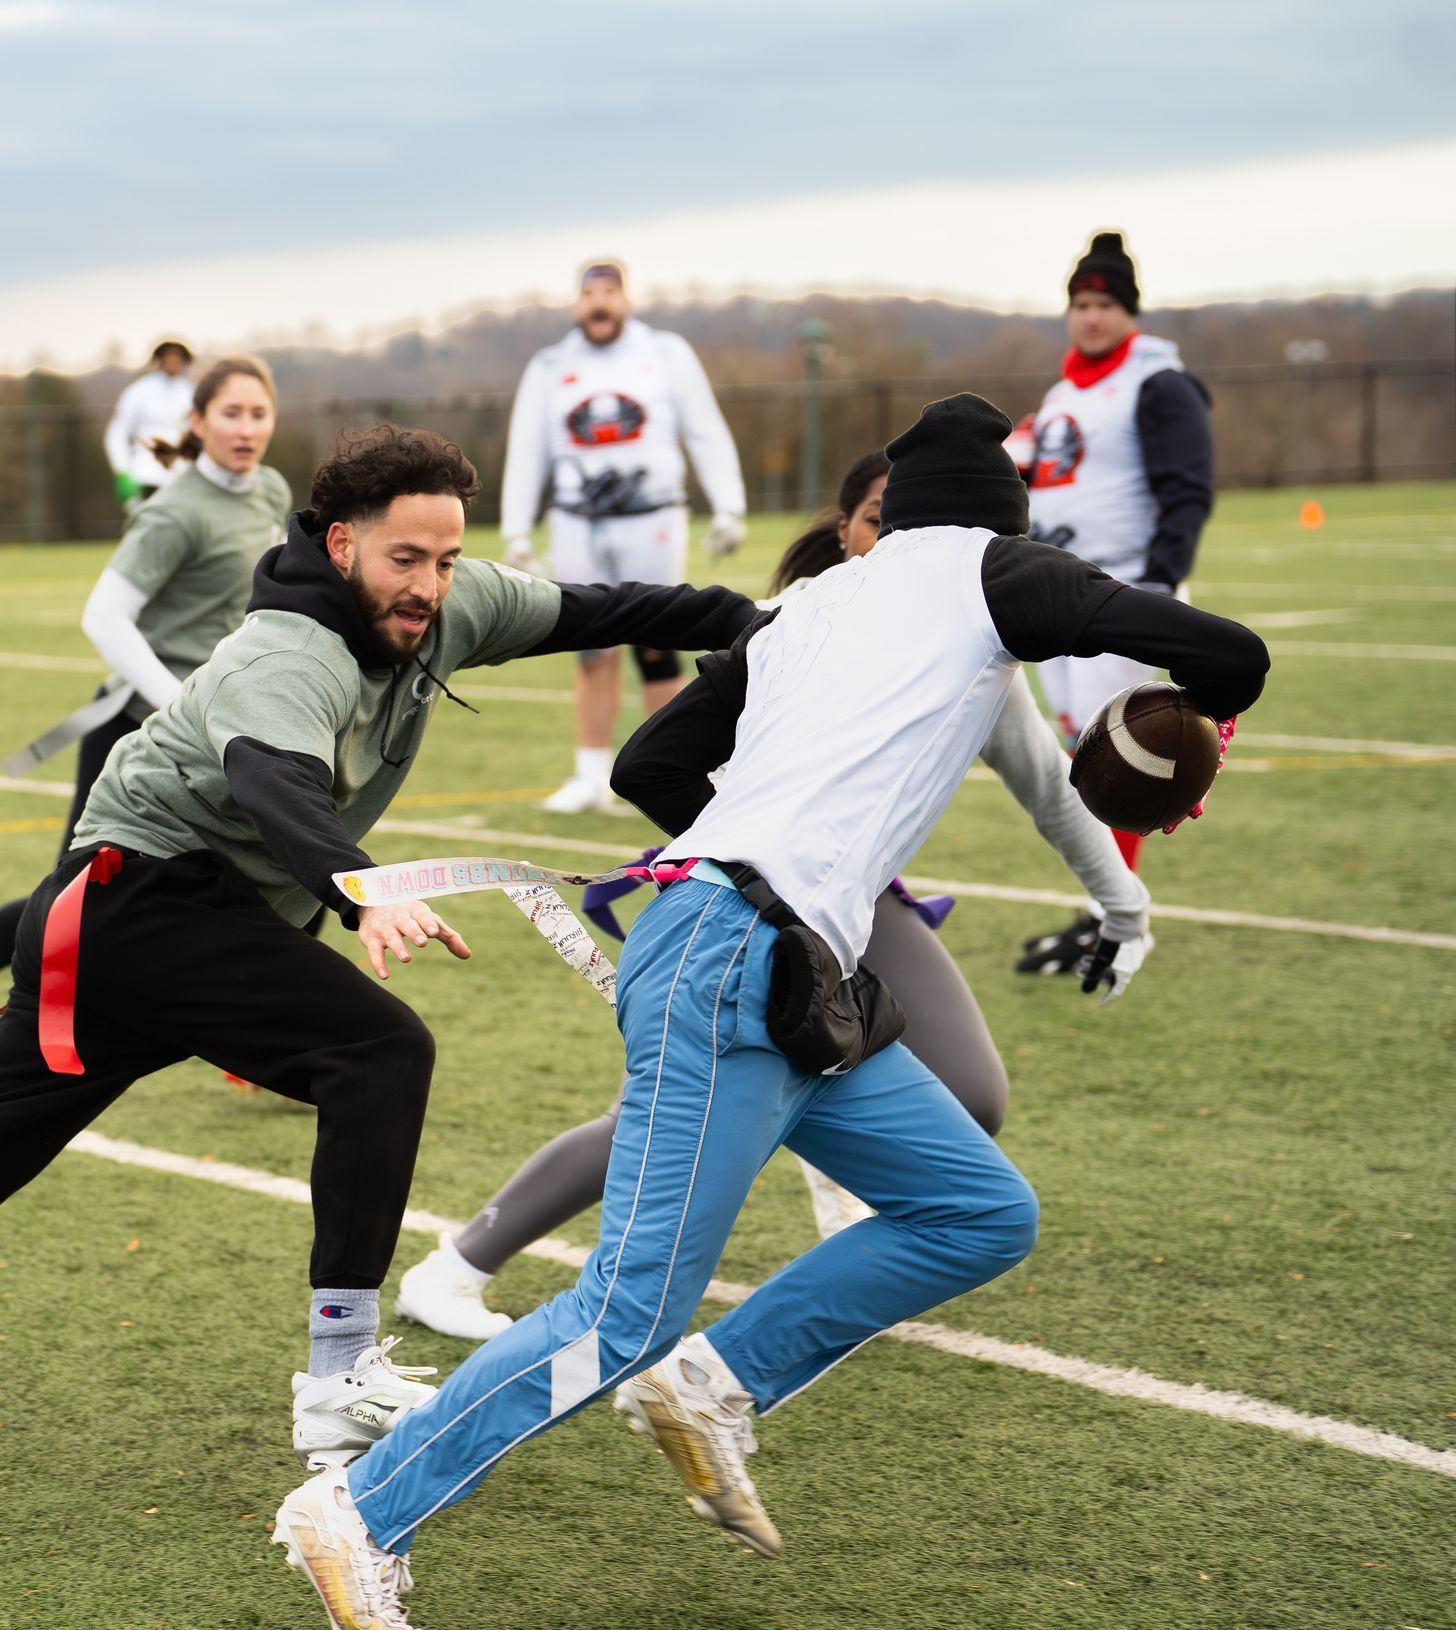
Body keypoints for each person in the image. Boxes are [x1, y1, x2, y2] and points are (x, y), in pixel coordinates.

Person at [0, 422, 756, 1484]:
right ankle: (339, 1372)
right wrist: (359, 893)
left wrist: (769, 620)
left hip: (156, 917)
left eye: (448, 560)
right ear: (342, 543)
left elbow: (615, 608)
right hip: (141, 905)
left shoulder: (450, 601)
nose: (432, 587)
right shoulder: (286, 652)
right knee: (379, 1051)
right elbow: (275, 784)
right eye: (408, 559)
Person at [274, 395, 1268, 1626]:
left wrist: (754, 837)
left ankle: (717, 1387)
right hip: (737, 956)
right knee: (620, 1315)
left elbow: (648, 763)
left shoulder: (817, 602)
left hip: (781, 959)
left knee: (976, 1208)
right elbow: (1232, 650)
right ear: (1005, 509)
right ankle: (359, 1510)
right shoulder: (992, 567)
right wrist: (1207, 726)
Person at [396, 448, 1152, 1339]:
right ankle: (456, 1265)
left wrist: (1124, 905)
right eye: (879, 519)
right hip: (741, 904)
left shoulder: (981, 642)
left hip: (860, 902)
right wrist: (757, 856)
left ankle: (841, 1207)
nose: (901, 541)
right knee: (669, 1120)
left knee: (974, 1093)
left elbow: (1050, 789)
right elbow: (665, 759)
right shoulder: (801, 620)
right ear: (845, 532)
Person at [0, 356, 289, 1102]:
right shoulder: (175, 510)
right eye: (231, 413)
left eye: (259, 413)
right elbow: (103, 616)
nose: (247, 428)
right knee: (68, 904)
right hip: (139, 739)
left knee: (279, 869)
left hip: (222, 737)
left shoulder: (273, 493)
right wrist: (179, 705)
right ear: (196, 423)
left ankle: (265, 1042)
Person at [1011, 231, 1215, 978]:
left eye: (1104, 304)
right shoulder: (1065, 392)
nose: (1090, 318)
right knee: (1081, 753)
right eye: (1080, 304)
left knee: (1117, 761)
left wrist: (1159, 588)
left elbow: (1187, 490)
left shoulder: (1158, 383)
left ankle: (1115, 922)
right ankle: (1103, 909)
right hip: (1062, 594)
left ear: (1128, 311)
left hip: (1123, 593)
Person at [501, 260, 748, 814]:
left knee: (660, 642)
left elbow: (703, 428)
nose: (600, 303)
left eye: (610, 292)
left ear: (628, 299)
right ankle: (590, 774)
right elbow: (528, 449)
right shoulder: (550, 365)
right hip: (577, 517)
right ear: (575, 304)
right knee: (587, 644)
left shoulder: (664, 353)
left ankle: (683, 763)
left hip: (650, 514)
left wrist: (728, 504)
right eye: (590, 293)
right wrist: (518, 525)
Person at [104, 338, 196, 510]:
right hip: (146, 473)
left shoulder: (192, 393)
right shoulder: (139, 391)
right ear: (159, 360)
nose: (173, 362)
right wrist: (122, 470)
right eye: (168, 356)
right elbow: (117, 432)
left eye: (177, 357)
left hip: (182, 474)